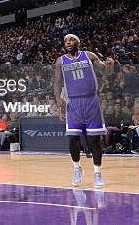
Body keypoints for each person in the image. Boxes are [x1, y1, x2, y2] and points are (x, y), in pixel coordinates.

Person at [55, 34, 114, 188]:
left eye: (71, 39)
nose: (68, 42)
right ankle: (77, 168)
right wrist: (58, 102)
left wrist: (109, 66)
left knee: (94, 140)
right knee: (72, 139)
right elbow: (57, 82)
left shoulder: (89, 56)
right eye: (66, 41)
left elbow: (106, 72)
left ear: (78, 42)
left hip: (90, 101)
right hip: (73, 102)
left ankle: (97, 173)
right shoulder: (60, 61)